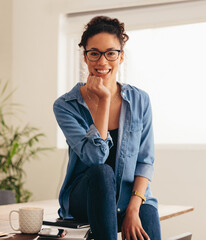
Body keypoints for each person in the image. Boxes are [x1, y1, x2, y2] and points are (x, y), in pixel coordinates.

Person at [53, 16, 161, 240]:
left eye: (111, 53)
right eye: (95, 53)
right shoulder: (65, 106)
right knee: (102, 172)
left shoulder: (140, 100)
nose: (102, 62)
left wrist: (133, 209)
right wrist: (104, 101)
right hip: (85, 195)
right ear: (85, 57)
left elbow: (145, 161)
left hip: (129, 197)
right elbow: (95, 159)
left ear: (121, 57)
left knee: (147, 214)